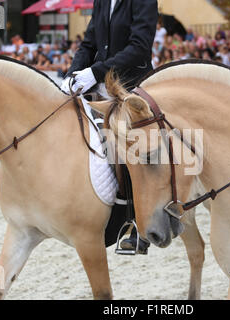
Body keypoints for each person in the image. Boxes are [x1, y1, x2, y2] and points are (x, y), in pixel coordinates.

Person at [61, 0, 158, 254]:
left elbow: (139, 47)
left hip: (131, 84)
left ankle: (138, 222)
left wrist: (95, 71)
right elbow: (89, 43)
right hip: (99, 83)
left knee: (130, 147)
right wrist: (72, 75)